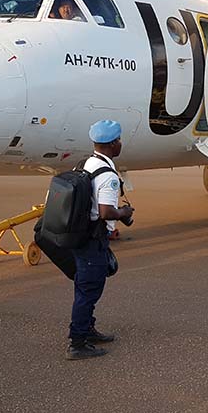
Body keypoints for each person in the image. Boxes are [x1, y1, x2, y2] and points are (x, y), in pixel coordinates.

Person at [67, 119, 135, 360]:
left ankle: (88, 329)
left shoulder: (87, 163)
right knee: (88, 291)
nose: (120, 144)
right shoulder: (108, 175)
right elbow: (106, 211)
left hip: (82, 237)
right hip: (93, 239)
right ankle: (78, 343)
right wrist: (124, 213)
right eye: (119, 140)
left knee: (86, 287)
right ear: (114, 143)